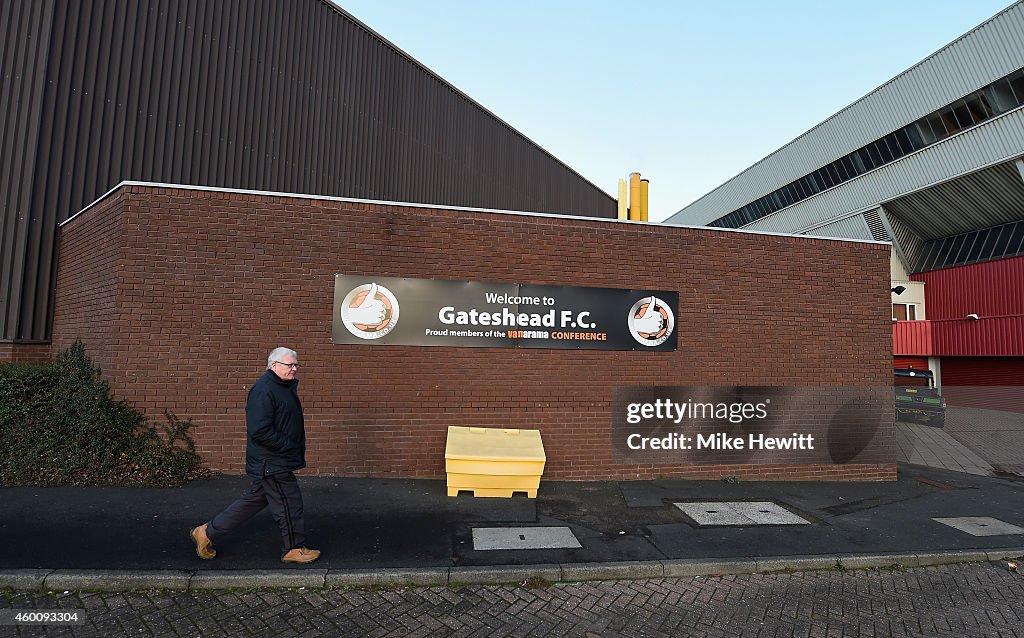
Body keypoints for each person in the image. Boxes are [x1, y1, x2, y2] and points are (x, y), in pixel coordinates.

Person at [190, 347, 320, 564]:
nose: (295, 369)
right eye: (290, 365)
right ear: (275, 365)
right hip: (272, 461)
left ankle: (206, 532)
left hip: (274, 459)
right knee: (289, 502)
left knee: (252, 502)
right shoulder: (264, 390)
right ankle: (294, 548)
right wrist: (289, 446)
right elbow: (260, 430)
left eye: (296, 365)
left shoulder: (281, 387)